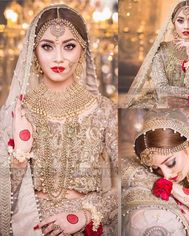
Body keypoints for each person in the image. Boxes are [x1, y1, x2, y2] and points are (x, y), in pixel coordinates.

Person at [0, 4, 118, 236]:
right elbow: (4, 198)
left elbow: (128, 182)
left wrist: (84, 215)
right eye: (47, 46)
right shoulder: (16, 112)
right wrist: (20, 155)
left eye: (69, 46)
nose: (58, 58)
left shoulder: (104, 110)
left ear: (83, 50)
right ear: (34, 51)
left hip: (86, 226)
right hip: (30, 225)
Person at [122, 109, 189, 235]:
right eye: (156, 169)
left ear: (188, 145)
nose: (166, 176)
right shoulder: (170, 172)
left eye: (170, 163)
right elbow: (123, 165)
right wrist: (170, 186)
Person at [124, 0, 189, 108]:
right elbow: (161, 89)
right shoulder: (161, 49)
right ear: (173, 23)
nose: (186, 26)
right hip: (161, 103)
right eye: (180, 21)